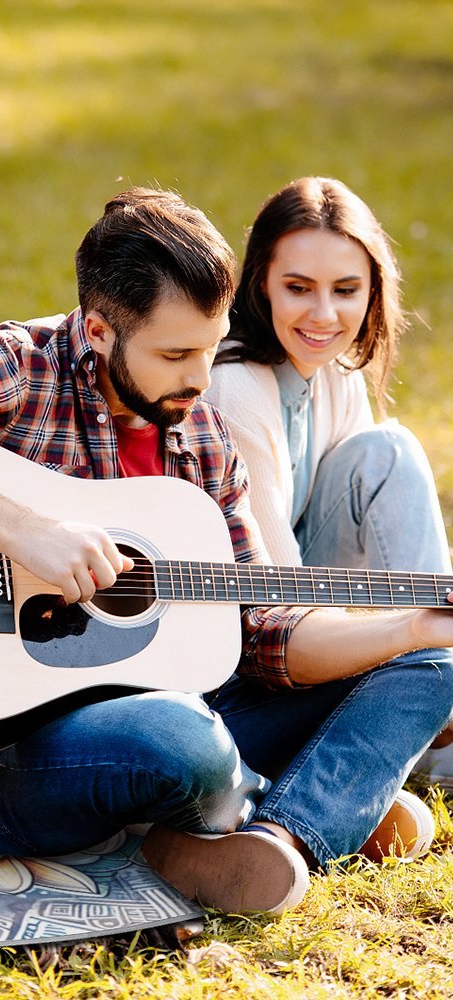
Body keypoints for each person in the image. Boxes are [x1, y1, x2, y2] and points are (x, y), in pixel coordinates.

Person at [0, 187, 453, 916]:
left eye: (210, 346)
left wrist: (409, 628)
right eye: (175, 354)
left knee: (433, 664)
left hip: (180, 709)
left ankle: (283, 836)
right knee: (181, 741)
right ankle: (310, 795)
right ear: (99, 330)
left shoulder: (201, 435)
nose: (201, 380)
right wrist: (22, 531)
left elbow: (262, 629)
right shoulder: (17, 367)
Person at [206, 176, 453, 787]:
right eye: (298, 288)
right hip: (246, 647)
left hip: (310, 613)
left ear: (373, 291)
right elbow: (276, 602)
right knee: (390, 450)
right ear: (260, 281)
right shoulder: (236, 386)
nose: (324, 315)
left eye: (346, 290)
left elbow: (373, 550)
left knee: (384, 451)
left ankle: (432, 695)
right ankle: (431, 727)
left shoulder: (334, 369)